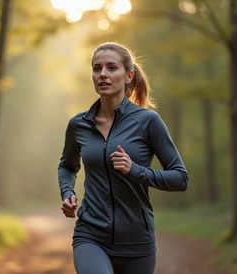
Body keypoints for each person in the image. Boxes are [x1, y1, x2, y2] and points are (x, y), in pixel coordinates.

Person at [58, 42, 189, 274]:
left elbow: (180, 178)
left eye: (111, 68)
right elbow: (67, 166)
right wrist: (68, 192)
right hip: (91, 235)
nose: (103, 75)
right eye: (97, 68)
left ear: (129, 76)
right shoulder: (79, 124)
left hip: (138, 242)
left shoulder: (148, 121)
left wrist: (135, 170)